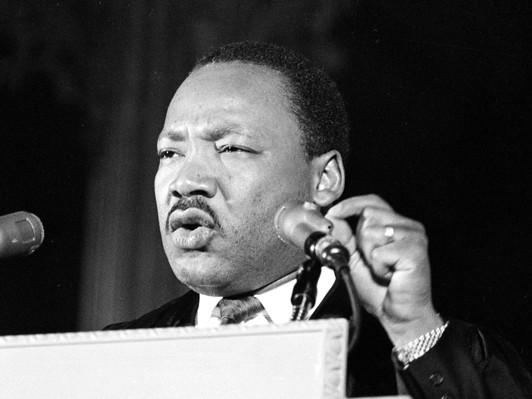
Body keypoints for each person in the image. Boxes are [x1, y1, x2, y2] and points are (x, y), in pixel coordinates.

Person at [105, 41, 532, 397]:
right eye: (170, 153)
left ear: (323, 179)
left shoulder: (416, 348)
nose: (186, 181)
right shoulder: (112, 357)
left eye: (231, 147)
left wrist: (412, 330)